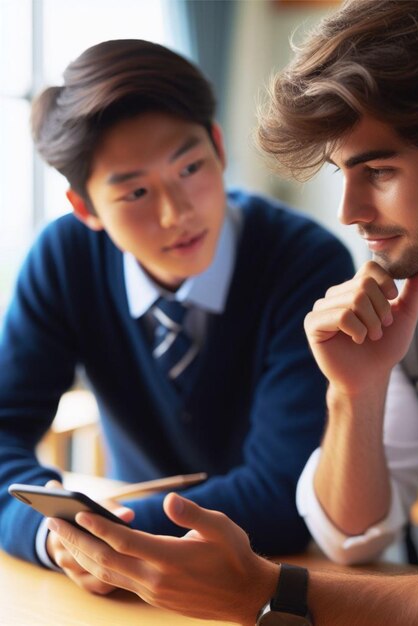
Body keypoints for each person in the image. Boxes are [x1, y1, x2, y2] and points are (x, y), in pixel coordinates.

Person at [44, 1, 418, 624]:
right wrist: (357, 389)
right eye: (339, 171)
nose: (347, 211)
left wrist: (268, 591)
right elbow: (354, 537)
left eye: (377, 170)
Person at [0, 38, 355, 595]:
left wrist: (109, 537)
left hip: (287, 577)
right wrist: (52, 537)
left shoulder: (305, 263)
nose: (178, 212)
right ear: (85, 208)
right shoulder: (64, 258)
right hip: (135, 593)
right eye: (136, 191)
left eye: (190, 167)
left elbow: (287, 491)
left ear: (217, 146)